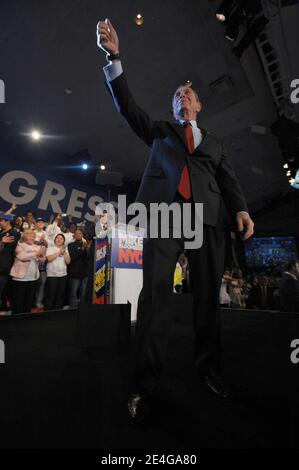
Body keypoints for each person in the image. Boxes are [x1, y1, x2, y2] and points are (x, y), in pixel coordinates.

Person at [96, 19, 254, 424]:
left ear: (198, 106)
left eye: (188, 94)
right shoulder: (160, 131)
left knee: (206, 299)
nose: (183, 97)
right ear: (173, 108)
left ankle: (209, 369)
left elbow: (229, 180)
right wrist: (114, 57)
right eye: (177, 95)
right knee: (155, 297)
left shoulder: (214, 142)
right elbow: (128, 108)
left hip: (209, 220)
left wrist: (241, 209)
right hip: (165, 217)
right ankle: (145, 382)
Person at [10, 230, 45, 314]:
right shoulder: (20, 245)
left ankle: (26, 317)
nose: (32, 238)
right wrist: (35, 254)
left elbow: (42, 259)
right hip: (20, 277)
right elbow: (21, 256)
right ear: (25, 237)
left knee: (29, 299)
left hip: (33, 277)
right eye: (30, 236)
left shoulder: (37, 246)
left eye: (33, 236)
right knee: (18, 299)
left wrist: (40, 256)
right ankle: (16, 317)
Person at [0, 214, 20, 313]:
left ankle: (4, 309)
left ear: (7, 221)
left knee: (3, 291)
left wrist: (2, 243)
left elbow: (15, 251)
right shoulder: (1, 233)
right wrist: (2, 242)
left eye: (1, 221)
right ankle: (3, 308)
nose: (0, 222)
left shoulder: (14, 234)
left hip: (4, 267)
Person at [45, 233, 70, 310]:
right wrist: (59, 252)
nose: (59, 239)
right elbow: (49, 259)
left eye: (61, 238)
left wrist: (65, 253)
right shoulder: (50, 248)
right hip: (52, 275)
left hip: (63, 275)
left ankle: (58, 312)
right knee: (51, 295)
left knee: (60, 295)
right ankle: (48, 312)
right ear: (55, 240)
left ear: (63, 241)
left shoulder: (65, 249)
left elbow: (68, 262)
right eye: (57, 238)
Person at [67, 228, 89, 308]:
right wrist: (82, 249)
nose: (78, 235)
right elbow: (73, 257)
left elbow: (88, 258)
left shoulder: (86, 245)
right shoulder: (70, 245)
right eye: (76, 233)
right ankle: (72, 310)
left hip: (84, 274)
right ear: (74, 235)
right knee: (73, 293)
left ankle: (82, 309)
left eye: (80, 233)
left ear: (82, 235)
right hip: (75, 274)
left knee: (83, 294)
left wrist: (87, 249)